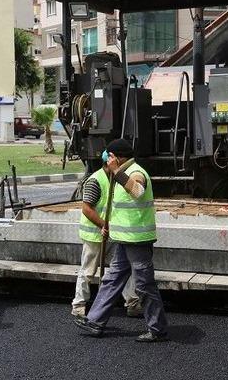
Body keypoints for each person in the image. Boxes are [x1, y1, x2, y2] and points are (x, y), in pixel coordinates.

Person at [74, 139, 169, 342]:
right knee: (112, 280)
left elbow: (137, 191)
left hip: (137, 241)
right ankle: (95, 321)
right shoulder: (116, 175)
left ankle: (157, 329)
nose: (107, 160)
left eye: (110, 157)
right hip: (124, 240)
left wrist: (117, 171)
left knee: (144, 285)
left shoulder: (135, 172)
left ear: (117, 157)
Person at [71, 160, 141, 318]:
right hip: (94, 236)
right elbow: (87, 209)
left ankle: (133, 303)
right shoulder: (96, 180)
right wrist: (103, 225)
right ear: (107, 164)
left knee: (123, 270)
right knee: (88, 271)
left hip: (112, 235)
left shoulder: (115, 178)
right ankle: (79, 305)